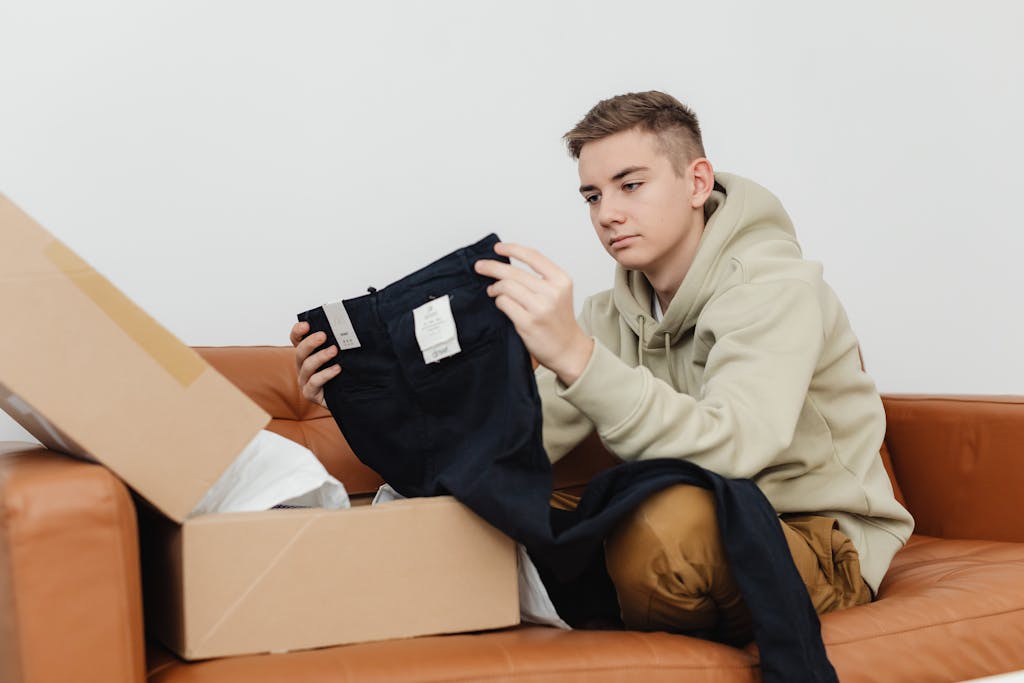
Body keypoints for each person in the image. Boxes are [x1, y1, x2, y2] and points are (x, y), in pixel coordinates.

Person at [289, 91, 914, 645]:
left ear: (697, 183)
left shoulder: (775, 285)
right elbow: (512, 452)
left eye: (631, 185)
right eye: (593, 195)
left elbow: (735, 447)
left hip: (818, 541)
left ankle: (561, 598)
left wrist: (576, 357)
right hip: (707, 517)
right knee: (504, 507)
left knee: (663, 528)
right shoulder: (609, 312)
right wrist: (369, 396)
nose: (607, 213)